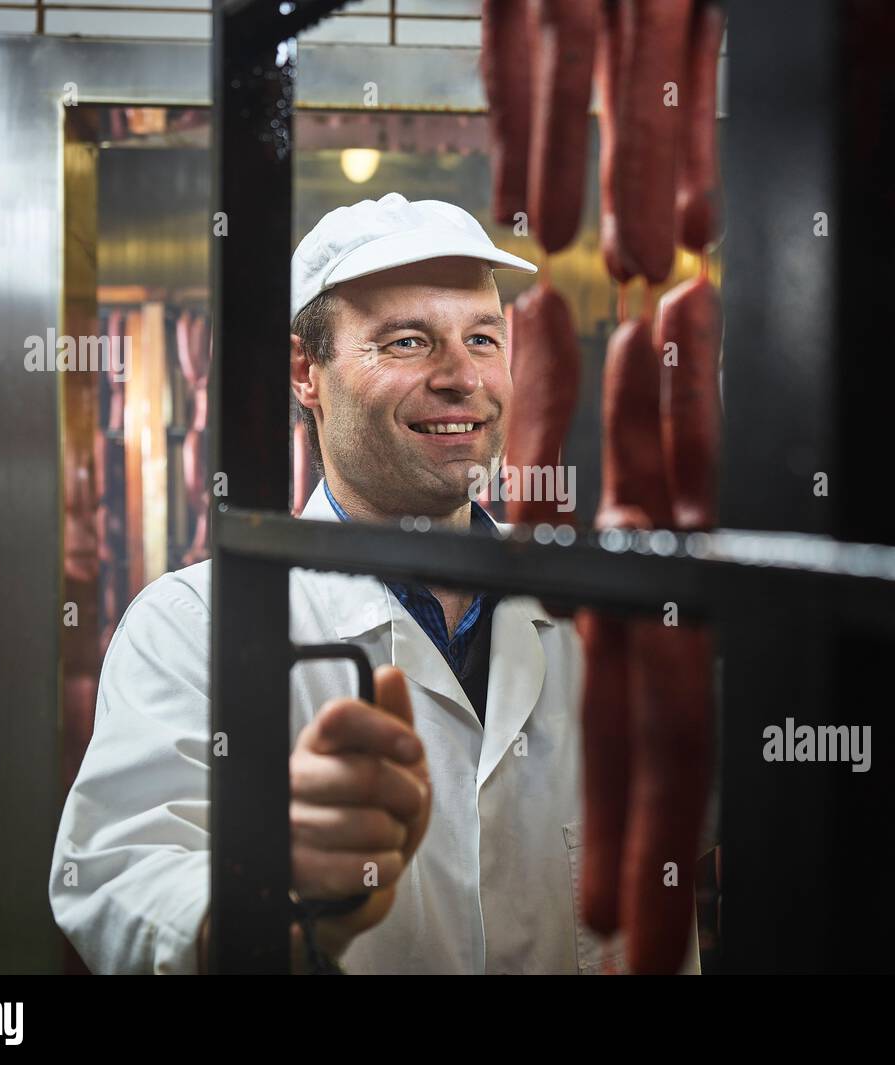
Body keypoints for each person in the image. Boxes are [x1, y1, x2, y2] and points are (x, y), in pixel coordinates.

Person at [48, 192, 708, 974]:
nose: (463, 377)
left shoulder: (605, 612)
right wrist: (264, 901)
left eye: (484, 338)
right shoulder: (193, 625)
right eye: (407, 342)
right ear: (306, 371)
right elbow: (122, 870)